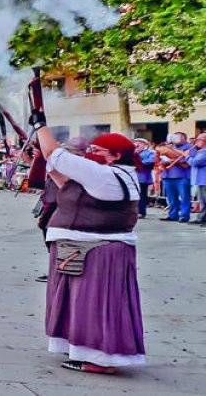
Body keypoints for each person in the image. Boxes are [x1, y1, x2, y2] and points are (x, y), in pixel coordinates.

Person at [34, 112, 144, 374]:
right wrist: (47, 161)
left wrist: (40, 126)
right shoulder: (113, 173)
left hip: (96, 250)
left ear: (115, 156)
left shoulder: (106, 175)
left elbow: (54, 154)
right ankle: (83, 350)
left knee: (94, 305)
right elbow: (65, 182)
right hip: (90, 247)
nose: (91, 153)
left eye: (98, 150)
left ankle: (100, 359)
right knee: (81, 304)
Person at [159, 133, 193, 222]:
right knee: (171, 198)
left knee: (184, 197)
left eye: (179, 137)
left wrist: (173, 160)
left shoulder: (190, 147)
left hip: (182, 176)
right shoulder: (169, 147)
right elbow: (160, 158)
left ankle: (184, 216)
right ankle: (173, 214)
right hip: (168, 175)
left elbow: (189, 160)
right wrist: (163, 162)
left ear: (185, 138)